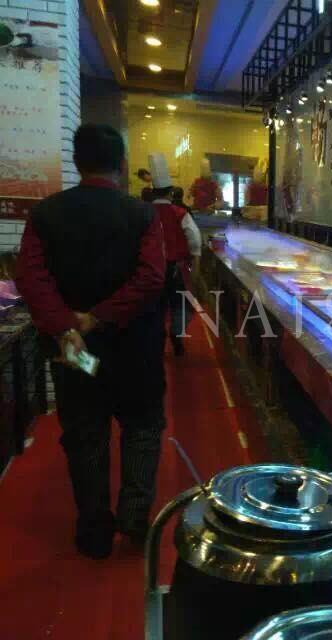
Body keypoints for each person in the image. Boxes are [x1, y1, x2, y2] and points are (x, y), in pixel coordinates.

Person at [15, 124, 167, 559]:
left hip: (74, 353)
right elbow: (151, 277)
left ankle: (94, 530)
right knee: (142, 429)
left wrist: (67, 326)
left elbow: (31, 277)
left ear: (77, 161)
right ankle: (134, 519)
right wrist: (99, 316)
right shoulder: (142, 215)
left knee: (85, 436)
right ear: (122, 163)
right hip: (135, 349)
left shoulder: (45, 214)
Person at [148, 153, 202, 356]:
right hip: (176, 270)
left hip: (150, 270)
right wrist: (195, 269)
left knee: (155, 307)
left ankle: (157, 339)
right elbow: (195, 242)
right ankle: (176, 336)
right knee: (181, 305)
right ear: (171, 193)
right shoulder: (181, 214)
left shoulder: (144, 212)